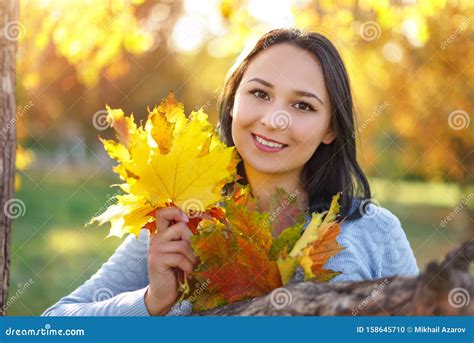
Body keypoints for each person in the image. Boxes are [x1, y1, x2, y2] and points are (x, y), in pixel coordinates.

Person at [42, 28, 418, 316]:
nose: (274, 119)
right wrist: (151, 301)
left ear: (331, 128)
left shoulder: (373, 233)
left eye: (303, 105)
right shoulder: (179, 221)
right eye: (259, 93)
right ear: (234, 101)